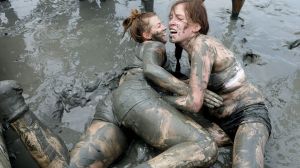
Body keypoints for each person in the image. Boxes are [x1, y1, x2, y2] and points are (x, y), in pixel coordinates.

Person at [0, 10, 229, 167]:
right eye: (159, 25)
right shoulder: (154, 46)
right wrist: (187, 90)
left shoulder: (138, 54)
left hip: (116, 102)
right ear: (146, 35)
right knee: (204, 146)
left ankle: (16, 109)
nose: (165, 27)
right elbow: (150, 70)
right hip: (136, 97)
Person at [166, 0, 271, 167]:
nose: (171, 22)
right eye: (170, 17)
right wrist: (191, 88)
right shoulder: (194, 48)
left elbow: (194, 103)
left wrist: (161, 100)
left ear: (196, 27)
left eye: (179, 18)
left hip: (248, 116)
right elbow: (196, 84)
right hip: (219, 123)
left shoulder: (202, 46)